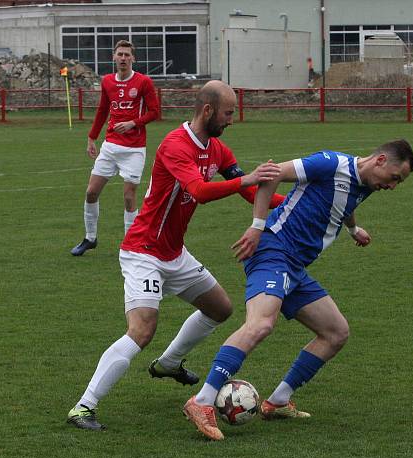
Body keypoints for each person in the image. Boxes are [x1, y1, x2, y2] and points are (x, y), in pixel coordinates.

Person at [67, 80, 286, 430]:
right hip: (144, 251)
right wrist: (248, 181)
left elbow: (249, 193)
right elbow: (199, 191)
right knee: (141, 330)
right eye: (229, 113)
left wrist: (293, 206)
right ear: (208, 110)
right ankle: (84, 407)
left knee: (220, 308)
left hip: (174, 253)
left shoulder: (217, 149)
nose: (232, 120)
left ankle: (169, 363)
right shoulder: (175, 145)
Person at [183, 140, 413, 441]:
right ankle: (202, 401)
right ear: (381, 160)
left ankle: (278, 400)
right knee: (260, 324)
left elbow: (345, 202)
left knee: (336, 332)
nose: (393, 186)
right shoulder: (330, 163)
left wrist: (352, 229)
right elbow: (273, 174)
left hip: (294, 266)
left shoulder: (369, 182)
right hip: (273, 250)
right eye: (395, 178)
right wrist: (257, 226)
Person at [70, 40, 160, 256]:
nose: (123, 58)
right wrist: (92, 138)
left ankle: (130, 245)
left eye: (127, 55)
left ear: (133, 58)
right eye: (119, 54)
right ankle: (90, 238)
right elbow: (102, 110)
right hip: (110, 146)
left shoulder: (143, 82)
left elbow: (155, 111)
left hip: (134, 149)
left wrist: (133, 123)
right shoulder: (107, 81)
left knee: (129, 197)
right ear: (113, 57)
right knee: (91, 192)